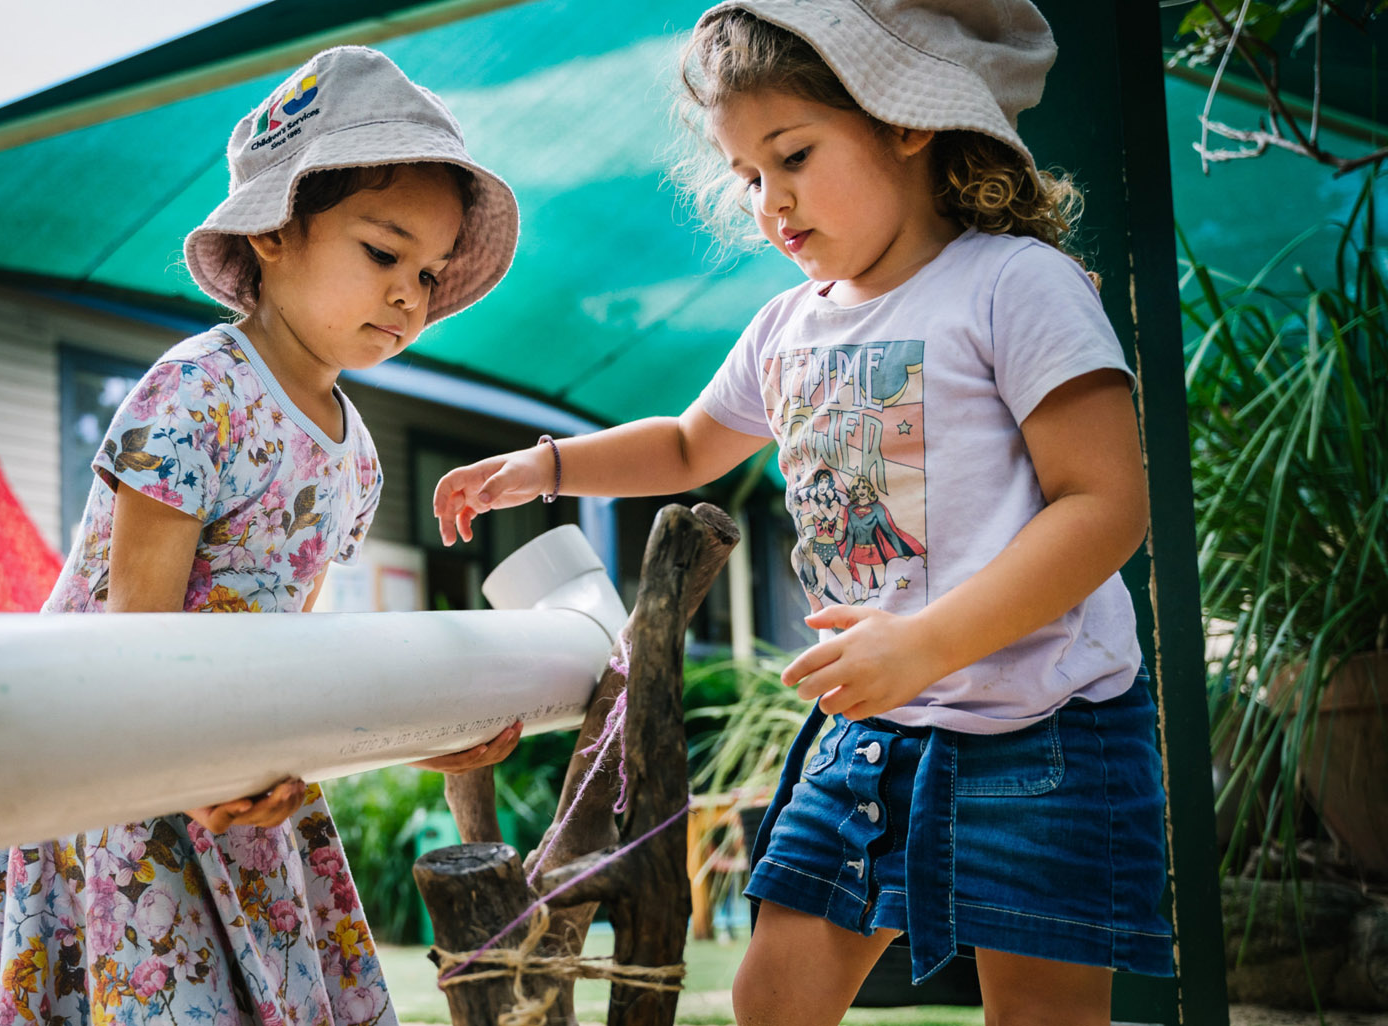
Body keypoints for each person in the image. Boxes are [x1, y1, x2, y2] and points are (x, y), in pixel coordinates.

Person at [430, 3, 1174, 1023]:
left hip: (1040, 728)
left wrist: (924, 646)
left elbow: (1105, 507)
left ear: (904, 120)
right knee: (771, 998)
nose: (770, 203)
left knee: (1042, 1015)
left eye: (793, 156)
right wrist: (545, 465)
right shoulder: (787, 324)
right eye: (748, 178)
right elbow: (692, 444)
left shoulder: (1016, 284)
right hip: (869, 730)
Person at [0, 46, 522, 1026]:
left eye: (428, 272)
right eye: (383, 254)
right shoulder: (197, 393)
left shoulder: (356, 459)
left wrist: (409, 733)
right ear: (274, 234)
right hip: (123, 774)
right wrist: (200, 776)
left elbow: (290, 648)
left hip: (242, 788)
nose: (410, 296)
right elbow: (136, 639)